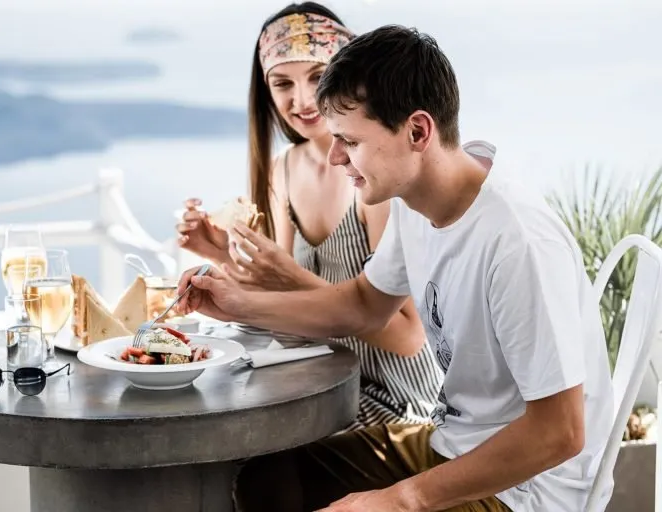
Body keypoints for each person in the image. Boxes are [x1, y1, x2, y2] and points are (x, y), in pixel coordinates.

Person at [175, 25, 614, 512]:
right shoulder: (414, 201)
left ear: (418, 131)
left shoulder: (518, 243)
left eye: (349, 141)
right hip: (456, 445)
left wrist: (400, 499)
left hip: (529, 490)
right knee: (266, 478)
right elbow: (364, 305)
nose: (335, 157)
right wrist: (239, 304)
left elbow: (560, 432)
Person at [177, 2, 492, 430]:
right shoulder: (283, 171)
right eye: (282, 83)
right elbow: (289, 312)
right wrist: (222, 256)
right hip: (323, 386)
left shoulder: (377, 179)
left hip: (395, 401)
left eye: (316, 77)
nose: (303, 99)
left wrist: (290, 276)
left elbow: (405, 334)